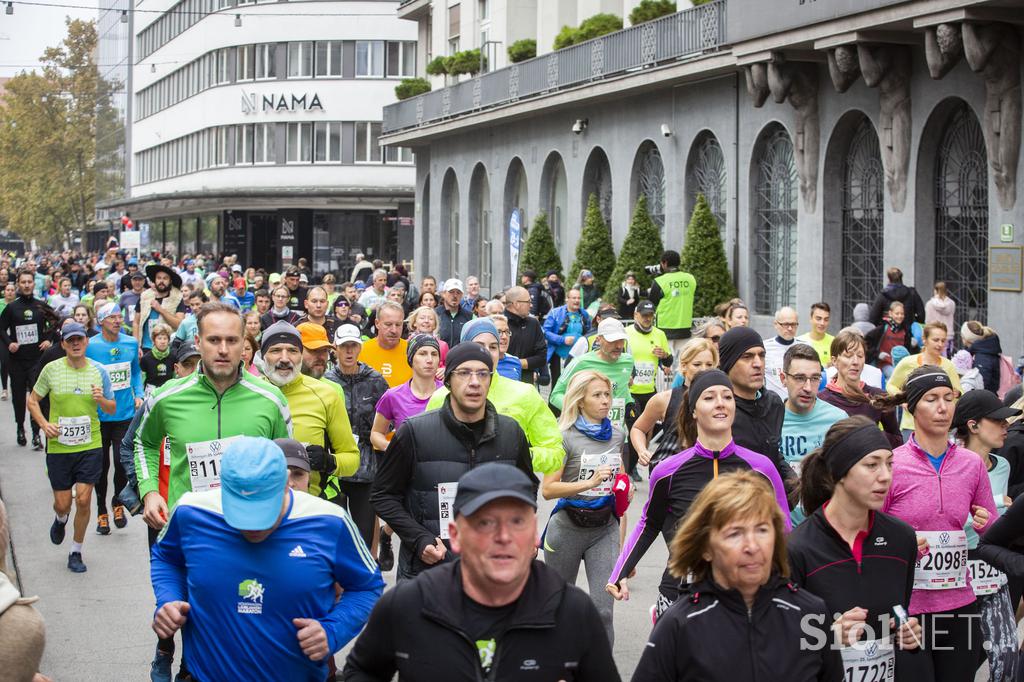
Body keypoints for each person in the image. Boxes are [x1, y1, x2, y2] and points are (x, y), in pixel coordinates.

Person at [345, 464, 618, 681]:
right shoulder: (409, 604)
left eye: (516, 521)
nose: (502, 536)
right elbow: (361, 671)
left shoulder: (573, 612)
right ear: (456, 534)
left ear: (535, 533)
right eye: (484, 522)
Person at [150, 437, 384, 682]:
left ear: (285, 485)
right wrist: (169, 598)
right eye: (241, 513)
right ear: (223, 488)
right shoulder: (192, 511)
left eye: (263, 513)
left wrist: (333, 630)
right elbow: (166, 557)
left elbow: (367, 586)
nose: (252, 527)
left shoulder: (329, 521)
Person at [607, 370, 791, 617]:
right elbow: (649, 524)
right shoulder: (668, 471)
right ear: (693, 411)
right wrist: (619, 573)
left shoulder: (762, 468)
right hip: (680, 593)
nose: (720, 403)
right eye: (709, 397)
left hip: (743, 594)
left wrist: (788, 585)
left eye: (727, 397)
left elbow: (783, 529)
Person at [631, 470, 841, 681]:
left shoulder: (810, 613)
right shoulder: (679, 625)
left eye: (762, 530)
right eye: (735, 533)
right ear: (706, 547)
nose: (752, 546)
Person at [370, 342, 536, 580]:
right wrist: (418, 538)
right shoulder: (414, 432)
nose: (475, 382)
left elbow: (527, 489)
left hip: (493, 569)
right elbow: (383, 496)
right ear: (448, 380)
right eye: (464, 373)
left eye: (482, 374)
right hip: (428, 569)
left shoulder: (511, 432)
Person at [134, 303, 293, 529]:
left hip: (252, 529)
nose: (223, 349)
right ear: (198, 342)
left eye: (232, 340)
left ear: (245, 345)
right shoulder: (166, 397)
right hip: (188, 527)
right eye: (214, 340)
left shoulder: (271, 399)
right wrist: (150, 492)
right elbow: (144, 443)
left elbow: (287, 463)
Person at [883, 366, 996, 682]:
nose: (943, 407)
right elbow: (872, 533)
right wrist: (904, 545)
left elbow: (994, 530)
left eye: (949, 398)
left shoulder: (972, 464)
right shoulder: (893, 464)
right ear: (912, 407)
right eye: (932, 399)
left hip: (960, 604)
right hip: (909, 608)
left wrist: (986, 522)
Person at [788, 416, 922, 681]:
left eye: (889, 464)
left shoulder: (902, 538)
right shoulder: (797, 549)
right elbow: (778, 645)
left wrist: (908, 633)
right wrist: (828, 638)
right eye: (871, 465)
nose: (885, 476)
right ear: (838, 473)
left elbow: (898, 613)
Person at [541, 370, 627, 645]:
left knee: (604, 611)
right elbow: (548, 489)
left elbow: (621, 480)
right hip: (567, 526)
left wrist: (624, 488)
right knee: (560, 608)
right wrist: (588, 483)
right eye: (598, 395)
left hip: (604, 528)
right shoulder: (563, 435)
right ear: (580, 400)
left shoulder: (617, 434)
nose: (605, 401)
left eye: (608, 395)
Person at [27, 322, 116, 573]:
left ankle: (75, 551)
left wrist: (101, 400)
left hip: (90, 445)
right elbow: (32, 401)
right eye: (70, 340)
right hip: (59, 447)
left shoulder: (99, 371)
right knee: (63, 503)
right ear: (64, 344)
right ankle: (60, 518)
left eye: (80, 339)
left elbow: (112, 407)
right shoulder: (51, 370)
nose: (76, 344)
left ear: (86, 342)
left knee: (85, 499)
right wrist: (44, 425)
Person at [425, 318, 565, 475]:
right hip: (454, 491)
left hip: (507, 491)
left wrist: (519, 457)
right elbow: (426, 451)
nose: (486, 353)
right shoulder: (442, 396)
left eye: (493, 347)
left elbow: (555, 452)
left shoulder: (525, 393)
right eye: (478, 346)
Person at [952, 391, 1021, 682]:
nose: (1006, 426)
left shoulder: (1001, 465)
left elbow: (994, 520)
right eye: (998, 420)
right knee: (962, 654)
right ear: (973, 425)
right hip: (956, 564)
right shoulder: (951, 461)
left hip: (990, 564)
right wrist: (995, 503)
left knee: (1006, 653)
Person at [261, 322, 359, 500]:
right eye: (275, 350)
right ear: (262, 356)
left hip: (310, 504)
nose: (284, 358)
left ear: (300, 356)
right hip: (259, 505)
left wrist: (329, 462)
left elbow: (352, 460)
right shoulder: (248, 393)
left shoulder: (327, 394)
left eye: (292, 350)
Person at [323, 324, 389, 552]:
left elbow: (387, 417)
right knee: (335, 529)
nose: (349, 351)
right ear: (335, 349)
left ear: (360, 348)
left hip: (367, 467)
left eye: (353, 346)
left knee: (365, 530)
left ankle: (367, 575)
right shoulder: (326, 380)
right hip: (335, 466)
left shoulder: (376, 380)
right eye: (344, 346)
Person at [86, 303, 144, 534]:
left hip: (125, 413)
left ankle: (117, 503)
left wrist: (138, 394)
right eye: (112, 317)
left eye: (120, 316)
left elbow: (136, 371)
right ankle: (101, 510)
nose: (118, 321)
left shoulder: (130, 342)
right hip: (99, 415)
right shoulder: (91, 346)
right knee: (101, 466)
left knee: (121, 464)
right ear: (101, 321)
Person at [716, 327, 797, 486]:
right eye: (747, 357)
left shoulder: (774, 403)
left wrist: (790, 478)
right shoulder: (718, 410)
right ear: (728, 364)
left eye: (762, 355)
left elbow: (772, 452)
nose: (758, 364)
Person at [631, 338, 718, 471]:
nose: (703, 370)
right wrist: (642, 451)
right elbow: (638, 429)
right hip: (670, 473)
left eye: (709, 364)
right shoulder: (664, 399)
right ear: (684, 366)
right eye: (697, 364)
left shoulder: (722, 400)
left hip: (708, 471)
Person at [0, 269, 56, 448]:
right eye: (23, 282)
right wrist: (9, 342)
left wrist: (48, 339)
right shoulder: (12, 308)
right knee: (18, 397)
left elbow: (55, 322)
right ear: (18, 284)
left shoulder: (41, 305)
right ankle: (20, 427)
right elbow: (1, 328)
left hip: (36, 361)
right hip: (17, 360)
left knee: (36, 397)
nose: (26, 285)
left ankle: (36, 433)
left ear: (34, 284)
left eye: (29, 282)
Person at [549, 318, 634, 434]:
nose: (618, 346)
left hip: (617, 435)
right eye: (612, 341)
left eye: (621, 340)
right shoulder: (580, 363)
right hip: (586, 433)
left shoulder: (628, 361)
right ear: (599, 339)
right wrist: (581, 411)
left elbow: (620, 388)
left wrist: (630, 403)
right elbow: (555, 396)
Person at [818, 331, 902, 446]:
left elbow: (897, 440)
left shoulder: (879, 396)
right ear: (834, 361)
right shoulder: (821, 399)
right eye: (848, 356)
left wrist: (870, 436)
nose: (855, 362)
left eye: (860, 356)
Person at [887, 322, 960, 441]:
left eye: (943, 340)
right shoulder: (907, 362)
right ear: (924, 339)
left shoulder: (949, 366)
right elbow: (891, 385)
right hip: (911, 425)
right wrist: (903, 400)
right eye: (936, 340)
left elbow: (959, 393)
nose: (940, 344)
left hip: (939, 425)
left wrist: (954, 395)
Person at [779, 343, 847, 467]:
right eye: (800, 378)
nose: (808, 388)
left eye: (815, 378)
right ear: (783, 379)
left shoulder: (838, 420)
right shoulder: (771, 419)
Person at [648, 250, 696, 356]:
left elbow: (652, 303)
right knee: (683, 361)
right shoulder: (690, 278)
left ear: (664, 263)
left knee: (666, 363)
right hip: (685, 327)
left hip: (664, 328)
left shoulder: (660, 281)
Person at [543, 288, 590, 389]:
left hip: (578, 356)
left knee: (576, 384)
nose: (577, 300)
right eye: (574, 298)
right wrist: (562, 339)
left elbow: (589, 331)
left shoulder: (584, 314)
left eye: (578, 298)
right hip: (559, 356)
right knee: (558, 385)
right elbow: (545, 332)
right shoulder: (555, 313)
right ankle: (554, 405)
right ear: (567, 299)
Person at [134, 263, 187, 351]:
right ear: (154, 280)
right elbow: (136, 322)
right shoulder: (145, 296)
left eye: (165, 278)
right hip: (146, 348)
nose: (161, 281)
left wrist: (161, 310)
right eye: (159, 278)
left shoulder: (177, 298)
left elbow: (179, 324)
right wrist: (136, 345)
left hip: (167, 348)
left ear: (170, 281)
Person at [359, 301, 411, 388]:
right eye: (388, 324)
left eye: (398, 325)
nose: (394, 330)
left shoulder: (412, 352)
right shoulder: (361, 351)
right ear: (377, 323)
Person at [865, 300, 916, 377]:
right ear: (890, 313)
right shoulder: (882, 329)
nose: (900, 316)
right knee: (894, 375)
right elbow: (866, 342)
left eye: (902, 314)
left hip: (901, 365)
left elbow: (909, 351)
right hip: (884, 364)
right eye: (897, 313)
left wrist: (913, 345)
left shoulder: (906, 331)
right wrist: (877, 354)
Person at [762, 306, 800, 399]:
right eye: (786, 324)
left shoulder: (805, 347)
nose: (790, 328)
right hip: (773, 405)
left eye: (793, 324)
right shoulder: (764, 348)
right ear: (776, 324)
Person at [961, 321, 1003, 394]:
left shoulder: (982, 356)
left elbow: (981, 383)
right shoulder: (985, 349)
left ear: (966, 339)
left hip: (984, 400)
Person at [435, 279, 472, 348]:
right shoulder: (435, 314)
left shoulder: (470, 316)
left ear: (462, 295)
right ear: (444, 294)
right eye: (451, 292)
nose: (455, 295)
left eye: (458, 292)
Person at [796, 301, 834, 367]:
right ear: (811, 319)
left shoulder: (834, 342)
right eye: (818, 319)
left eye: (826, 319)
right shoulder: (800, 342)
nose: (822, 323)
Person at [925, 282, 956, 355]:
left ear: (935, 290)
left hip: (933, 336)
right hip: (948, 335)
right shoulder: (951, 304)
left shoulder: (929, 304)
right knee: (946, 359)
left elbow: (927, 321)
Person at [489, 314, 521, 380]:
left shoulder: (515, 361)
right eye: (499, 332)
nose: (504, 337)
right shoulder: (481, 362)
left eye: (507, 332)